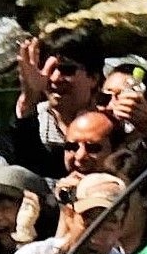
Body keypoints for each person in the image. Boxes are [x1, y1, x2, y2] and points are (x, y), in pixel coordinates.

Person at [5, 171, 136, 254]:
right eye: (88, 225)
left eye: (107, 228)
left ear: (121, 228)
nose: (95, 239)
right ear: (69, 215)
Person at [8, 27, 104, 178]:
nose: (54, 79)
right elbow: (25, 169)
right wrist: (29, 99)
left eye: (67, 70)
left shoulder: (112, 122)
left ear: (93, 78)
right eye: (48, 69)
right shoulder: (31, 119)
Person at [58, 108, 128, 184]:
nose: (80, 156)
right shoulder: (62, 192)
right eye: (72, 147)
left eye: (93, 148)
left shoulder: (133, 192)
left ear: (117, 151)